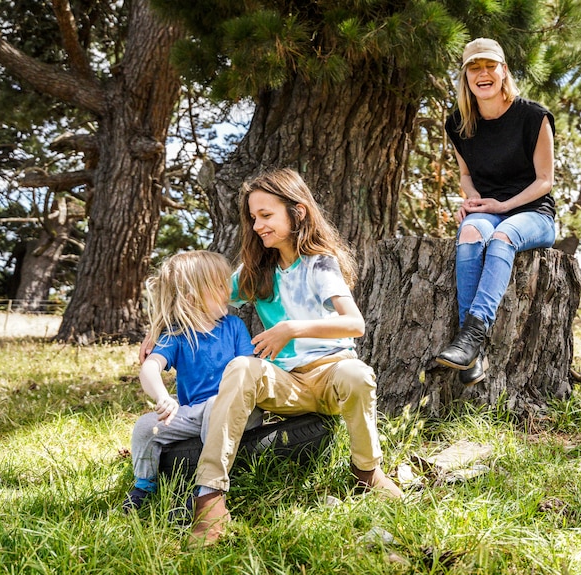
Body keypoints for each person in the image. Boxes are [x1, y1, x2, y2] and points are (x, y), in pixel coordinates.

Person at [164, 168, 402, 547]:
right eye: (254, 217)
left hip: (330, 374)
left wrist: (290, 328)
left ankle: (367, 472)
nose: (258, 225)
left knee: (358, 375)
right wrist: (157, 328)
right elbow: (204, 297)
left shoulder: (320, 263)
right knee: (241, 366)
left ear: (299, 212)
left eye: (267, 215)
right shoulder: (258, 270)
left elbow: (353, 323)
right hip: (286, 383)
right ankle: (209, 498)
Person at [436, 37, 557, 386]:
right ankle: (471, 350)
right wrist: (472, 199)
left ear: (504, 71)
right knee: (471, 232)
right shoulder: (458, 122)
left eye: (491, 65)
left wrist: (502, 206)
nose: (483, 73)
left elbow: (545, 181)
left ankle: (471, 337)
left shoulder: (533, 117)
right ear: (466, 77)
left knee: (503, 236)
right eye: (475, 67)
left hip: (533, 213)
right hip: (488, 209)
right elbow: (465, 175)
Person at [126, 250, 256, 512]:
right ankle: (145, 483)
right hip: (192, 412)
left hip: (235, 410)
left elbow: (250, 370)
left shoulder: (234, 326)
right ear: (192, 297)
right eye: (220, 286)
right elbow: (150, 368)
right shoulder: (176, 335)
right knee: (145, 427)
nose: (228, 292)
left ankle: (204, 489)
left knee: (214, 406)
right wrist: (163, 398)